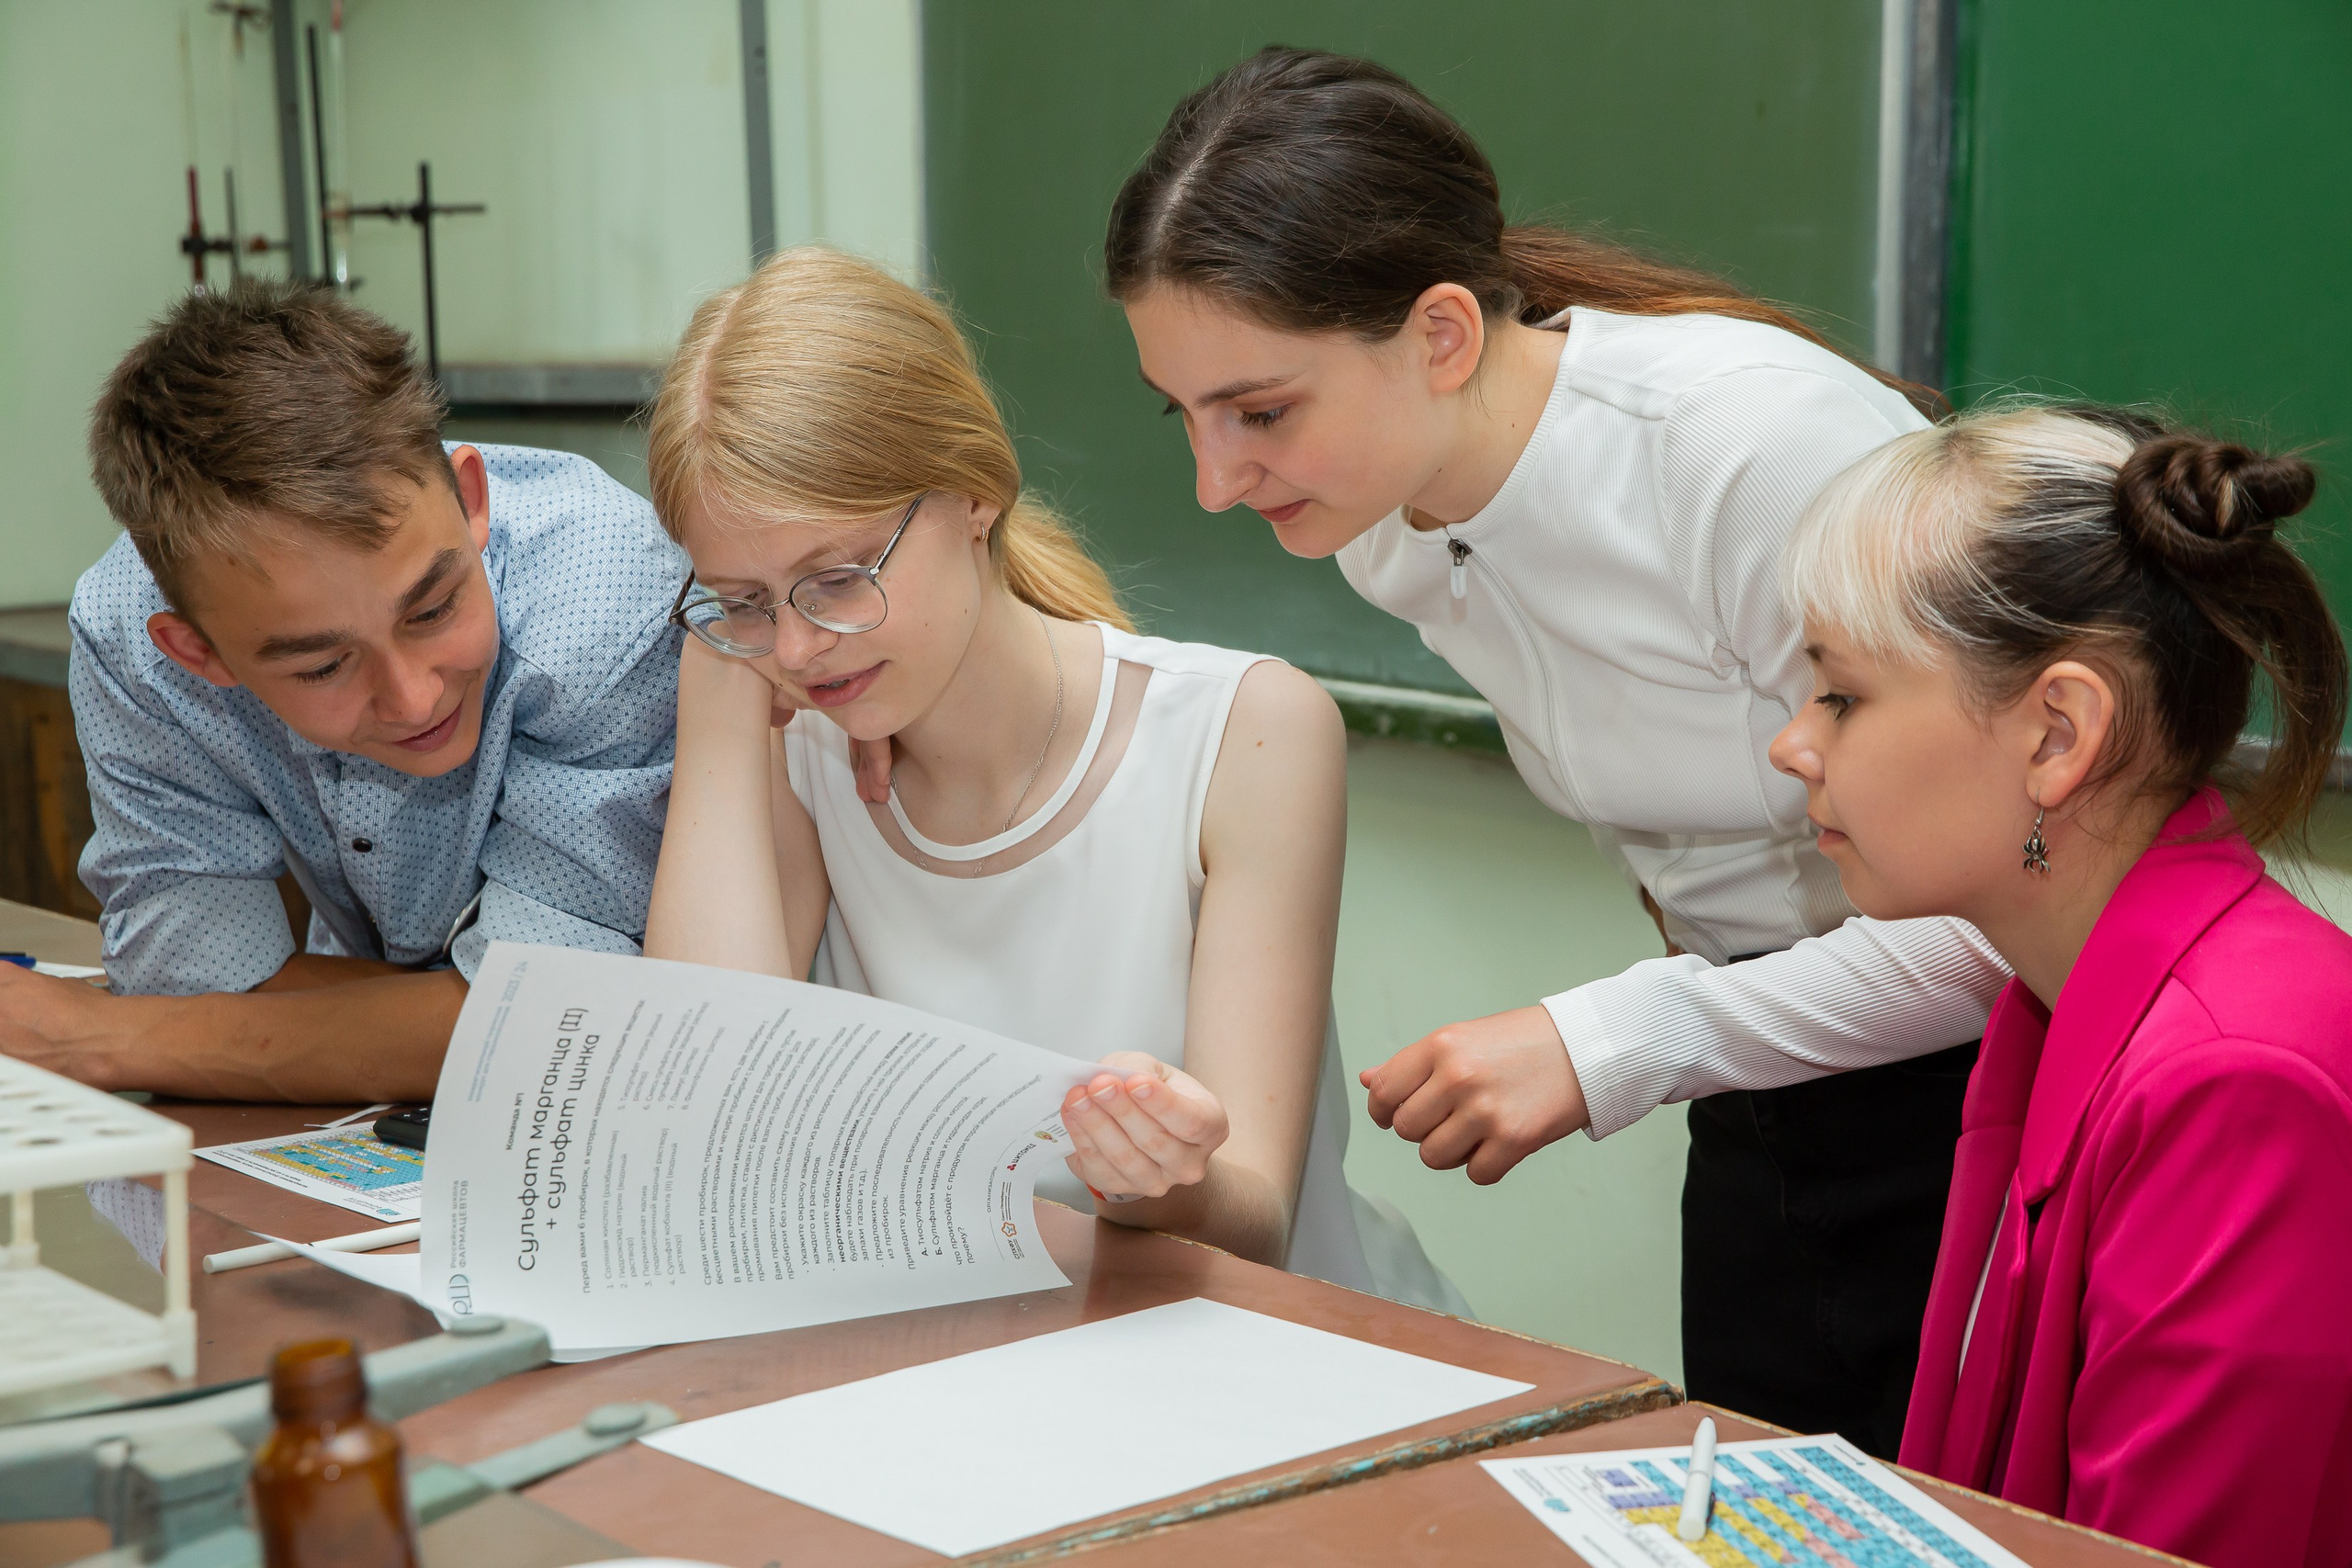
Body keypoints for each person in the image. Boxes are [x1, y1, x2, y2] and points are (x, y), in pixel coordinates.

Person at [1103, 46, 2008, 1450]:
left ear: (1444, 334)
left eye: (1263, 412)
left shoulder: (1742, 448)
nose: (1217, 484)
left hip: (1981, 1101)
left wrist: (1611, 1034)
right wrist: (1671, 1029)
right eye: (1189, 417)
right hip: (1765, 1086)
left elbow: (2005, 922)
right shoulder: (1389, 529)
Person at [639, 246, 1461, 1312]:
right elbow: (697, 1123)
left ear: (973, 496)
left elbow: (1258, 1221)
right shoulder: (786, 744)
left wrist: (1160, 1180)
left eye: (836, 581)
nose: (795, 650)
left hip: (1264, 1353)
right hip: (974, 1362)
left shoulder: (1243, 731)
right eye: (740, 602)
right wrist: (713, 699)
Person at [1768, 404, 2352, 1568]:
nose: (1793, 743)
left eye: (1839, 693)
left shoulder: (2238, 1080)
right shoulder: (2052, 997)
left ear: (2057, 734)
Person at [0, 280, 684, 1101]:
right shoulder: (131, 640)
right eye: (323, 667)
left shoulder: (609, 587)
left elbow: (551, 1028)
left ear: (472, 500)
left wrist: (102, 1038)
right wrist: (434, 1023)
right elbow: (194, 983)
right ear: (200, 652)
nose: (414, 697)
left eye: (433, 608)